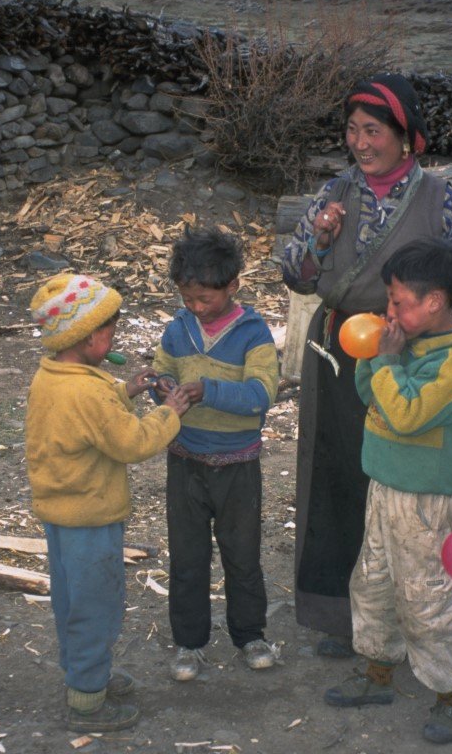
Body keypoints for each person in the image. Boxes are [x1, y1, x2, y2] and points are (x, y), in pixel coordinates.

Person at [280, 72, 452, 658]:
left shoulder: (443, 201)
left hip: (422, 367)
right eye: (352, 130)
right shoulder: (334, 195)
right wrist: (320, 243)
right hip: (342, 360)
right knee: (343, 481)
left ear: (407, 137)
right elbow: (295, 274)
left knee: (427, 491)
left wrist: (419, 333)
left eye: (373, 130)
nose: (360, 142)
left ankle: (442, 626)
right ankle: (354, 621)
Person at [323, 240, 452, 745]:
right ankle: (377, 673)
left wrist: (389, 362)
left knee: (426, 600)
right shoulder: (407, 347)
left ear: (435, 302)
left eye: (399, 302)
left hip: (427, 504)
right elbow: (371, 396)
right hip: (385, 489)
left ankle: (450, 693)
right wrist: (374, 357)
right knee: (372, 584)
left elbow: (408, 415)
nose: (388, 311)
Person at [25, 273, 192, 733]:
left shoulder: (54, 375)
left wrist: (125, 391)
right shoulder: (87, 392)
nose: (113, 338)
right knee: (97, 608)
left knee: (71, 602)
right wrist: (168, 412)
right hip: (91, 519)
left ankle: (85, 677)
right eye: (111, 331)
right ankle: (86, 703)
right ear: (94, 336)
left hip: (61, 517)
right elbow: (131, 442)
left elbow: (85, 416)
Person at [151, 227, 281, 681]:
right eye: (188, 298)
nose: (196, 308)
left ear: (232, 287)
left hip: (238, 465)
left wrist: (209, 390)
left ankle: (251, 635)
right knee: (186, 558)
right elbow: (160, 372)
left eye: (204, 299)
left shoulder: (253, 332)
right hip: (185, 460)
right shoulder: (177, 329)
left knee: (241, 554)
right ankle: (189, 644)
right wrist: (161, 388)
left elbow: (262, 393)